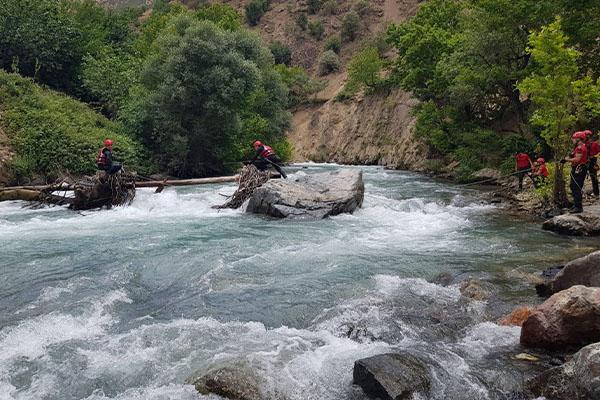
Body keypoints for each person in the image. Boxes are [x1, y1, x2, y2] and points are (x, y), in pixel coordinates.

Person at [562, 131, 588, 213]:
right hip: (578, 168)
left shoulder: (580, 148)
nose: (572, 140)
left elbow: (577, 159)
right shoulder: (578, 147)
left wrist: (566, 160)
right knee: (573, 186)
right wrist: (567, 158)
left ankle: (578, 207)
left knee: (576, 187)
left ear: (579, 139)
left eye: (574, 138)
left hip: (579, 169)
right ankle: (576, 204)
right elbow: (573, 155)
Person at [585, 130, 599, 197]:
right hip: (591, 161)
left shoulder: (585, 144)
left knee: (592, 177)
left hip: (589, 161)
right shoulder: (594, 144)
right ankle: (596, 192)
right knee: (593, 177)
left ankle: (595, 192)